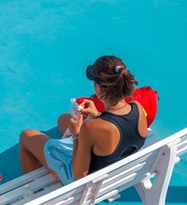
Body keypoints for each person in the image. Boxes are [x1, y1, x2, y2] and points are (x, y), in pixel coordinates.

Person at [19, 55, 148, 185]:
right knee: (64, 119)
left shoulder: (91, 127)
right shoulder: (137, 107)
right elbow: (117, 131)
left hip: (85, 183)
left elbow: (79, 175)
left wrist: (76, 135)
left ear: (98, 88)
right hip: (117, 172)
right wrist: (96, 115)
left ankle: (33, 191)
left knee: (26, 135)